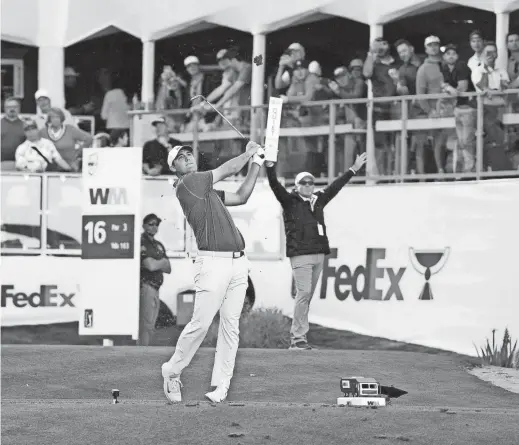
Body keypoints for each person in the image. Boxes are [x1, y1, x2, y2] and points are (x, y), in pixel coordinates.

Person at [160, 140, 264, 404]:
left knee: (231, 326)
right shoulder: (188, 184)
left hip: (238, 262)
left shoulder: (206, 191)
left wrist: (256, 164)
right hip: (213, 264)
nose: (187, 158)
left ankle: (221, 385)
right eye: (180, 158)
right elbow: (228, 169)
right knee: (200, 324)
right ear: (175, 169)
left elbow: (241, 196)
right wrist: (248, 152)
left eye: (188, 154)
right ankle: (172, 371)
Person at [265, 153, 367, 350]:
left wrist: (353, 169)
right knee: (303, 293)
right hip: (300, 254)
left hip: (318, 253)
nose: (308, 185)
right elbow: (275, 185)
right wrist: (270, 167)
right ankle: (297, 339)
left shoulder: (318, 199)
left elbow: (335, 187)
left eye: (311, 182)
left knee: (307, 296)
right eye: (303, 182)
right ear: (296, 186)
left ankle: (300, 336)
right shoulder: (290, 201)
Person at [139, 213, 171, 346]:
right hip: (146, 287)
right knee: (146, 325)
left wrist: (160, 262)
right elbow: (149, 265)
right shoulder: (141, 242)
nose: (154, 227)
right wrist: (161, 262)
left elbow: (168, 268)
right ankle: (141, 354)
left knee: (151, 324)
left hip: (156, 289)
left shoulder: (158, 245)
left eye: (156, 224)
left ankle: (145, 353)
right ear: (144, 225)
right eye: (151, 224)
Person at [40, 107, 93, 171]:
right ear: (49, 119)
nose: (55, 119)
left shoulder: (70, 129)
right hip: (50, 167)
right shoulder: (43, 132)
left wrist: (78, 154)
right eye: (53, 117)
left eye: (57, 117)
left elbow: (89, 138)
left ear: (61, 118)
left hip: (70, 165)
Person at [1, 97, 25, 170]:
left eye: (14, 107)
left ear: (19, 108)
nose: (12, 109)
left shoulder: (25, 125)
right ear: (4, 108)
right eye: (9, 107)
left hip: (20, 164)